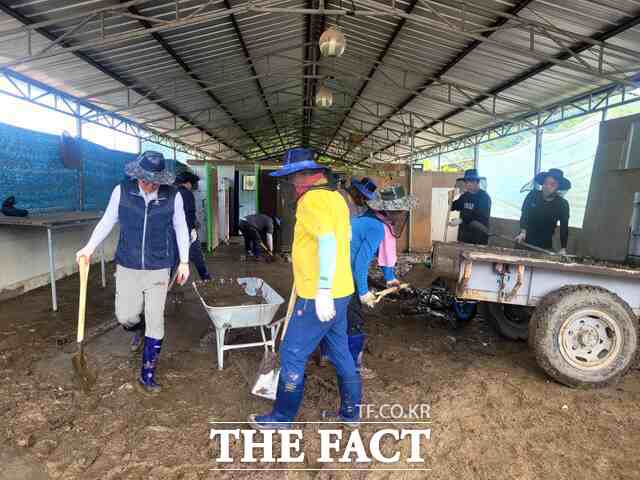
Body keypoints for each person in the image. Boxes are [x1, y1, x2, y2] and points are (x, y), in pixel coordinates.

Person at [249, 148, 360, 429]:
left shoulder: (311, 201)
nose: (291, 185)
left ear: (302, 176)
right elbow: (343, 237)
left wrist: (322, 290)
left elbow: (328, 243)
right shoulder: (337, 198)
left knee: (292, 353)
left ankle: (281, 418)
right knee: (340, 351)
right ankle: (350, 413)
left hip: (319, 294)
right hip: (343, 289)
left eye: (291, 178)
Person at [75, 151, 190, 395]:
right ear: (137, 175)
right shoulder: (122, 191)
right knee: (125, 316)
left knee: (156, 321)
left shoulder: (173, 196)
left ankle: (147, 374)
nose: (149, 185)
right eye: (145, 179)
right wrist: (88, 248)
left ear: (162, 178)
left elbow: (181, 227)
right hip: (128, 264)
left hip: (159, 266)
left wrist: (184, 262)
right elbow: (107, 221)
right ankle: (138, 327)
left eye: (154, 180)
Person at [516, 168, 571, 254]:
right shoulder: (532, 195)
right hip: (524, 241)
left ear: (558, 187)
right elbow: (524, 216)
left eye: (552, 185)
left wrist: (563, 248)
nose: (547, 186)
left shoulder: (563, 205)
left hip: (545, 246)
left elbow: (564, 228)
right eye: (546, 183)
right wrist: (523, 232)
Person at [175, 171, 211, 281]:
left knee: (176, 257)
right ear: (187, 183)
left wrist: (194, 221)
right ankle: (205, 278)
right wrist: (191, 230)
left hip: (175, 231)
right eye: (193, 183)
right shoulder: (187, 194)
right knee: (197, 256)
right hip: (187, 231)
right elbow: (188, 214)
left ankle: (168, 282)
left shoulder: (174, 192)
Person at [450, 169, 492, 245]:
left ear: (477, 182)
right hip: (465, 235)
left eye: (470, 182)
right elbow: (453, 206)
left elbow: (480, 217)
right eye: (466, 182)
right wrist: (449, 197)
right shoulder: (465, 196)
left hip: (479, 235)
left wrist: (462, 220)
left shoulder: (484, 198)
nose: (467, 184)